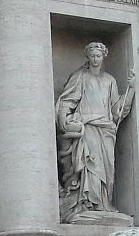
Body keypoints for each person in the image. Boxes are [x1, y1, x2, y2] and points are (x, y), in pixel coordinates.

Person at [56, 41, 134, 221]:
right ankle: (86, 202)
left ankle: (103, 203)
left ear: (103, 56)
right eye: (92, 56)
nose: (95, 59)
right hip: (88, 126)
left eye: (98, 56)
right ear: (87, 57)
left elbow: (117, 109)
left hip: (106, 129)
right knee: (90, 165)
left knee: (107, 168)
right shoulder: (79, 77)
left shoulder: (110, 81)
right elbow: (67, 101)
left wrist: (132, 89)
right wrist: (64, 121)